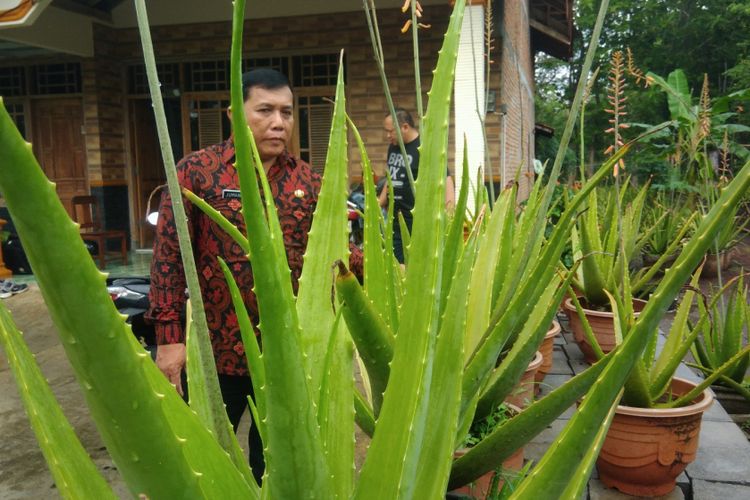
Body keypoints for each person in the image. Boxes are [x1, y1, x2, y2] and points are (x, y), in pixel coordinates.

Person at [146, 68, 361, 484]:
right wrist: (169, 339)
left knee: (277, 465)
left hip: (285, 356)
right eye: (265, 110)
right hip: (215, 353)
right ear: (234, 113)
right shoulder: (197, 174)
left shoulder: (310, 182)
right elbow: (169, 257)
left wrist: (388, 271)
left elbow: (334, 255)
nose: (278, 123)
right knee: (204, 458)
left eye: (286, 112)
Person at [378, 108, 455, 263]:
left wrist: (449, 211)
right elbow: (391, 174)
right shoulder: (393, 146)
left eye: (391, 131)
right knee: (396, 263)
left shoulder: (424, 148)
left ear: (405, 127)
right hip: (395, 219)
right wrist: (380, 201)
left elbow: (445, 178)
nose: (388, 136)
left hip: (416, 221)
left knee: (416, 263)